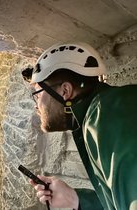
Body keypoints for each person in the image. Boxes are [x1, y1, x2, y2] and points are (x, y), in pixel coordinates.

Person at [23, 42, 137, 210]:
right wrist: (74, 199)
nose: (36, 105)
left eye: (37, 94)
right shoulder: (108, 110)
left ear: (65, 91)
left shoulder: (105, 114)